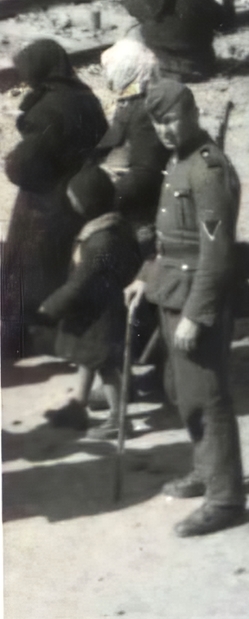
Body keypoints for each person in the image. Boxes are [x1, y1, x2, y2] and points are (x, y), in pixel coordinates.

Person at [124, 79, 244, 537]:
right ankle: (205, 469)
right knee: (182, 389)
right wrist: (144, 279)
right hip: (171, 289)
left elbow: (216, 253)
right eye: (158, 122)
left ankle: (226, 498)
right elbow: (168, 240)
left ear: (192, 113)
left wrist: (197, 314)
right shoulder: (178, 161)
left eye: (173, 119)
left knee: (207, 397)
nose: (166, 130)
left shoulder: (208, 169)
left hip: (196, 296)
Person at [3, 40, 109, 361]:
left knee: (28, 269)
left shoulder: (50, 109)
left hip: (44, 204)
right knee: (60, 264)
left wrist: (13, 160)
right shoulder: (84, 96)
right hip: (78, 193)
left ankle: (17, 339)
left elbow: (21, 166)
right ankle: (55, 327)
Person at [36, 167, 143, 438]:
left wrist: (49, 308)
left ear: (86, 203)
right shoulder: (113, 227)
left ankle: (119, 420)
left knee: (106, 366)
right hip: (94, 313)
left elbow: (80, 283)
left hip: (100, 315)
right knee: (87, 359)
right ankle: (78, 406)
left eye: (74, 199)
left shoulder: (101, 241)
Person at [122, 0, 234, 81]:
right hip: (199, 68)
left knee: (135, 25)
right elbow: (226, 25)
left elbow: (132, 5)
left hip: (159, 67)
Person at [93, 40, 169, 232]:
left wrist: (113, 197)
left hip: (149, 190)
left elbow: (145, 171)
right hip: (138, 176)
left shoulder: (145, 109)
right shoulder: (135, 95)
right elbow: (115, 136)